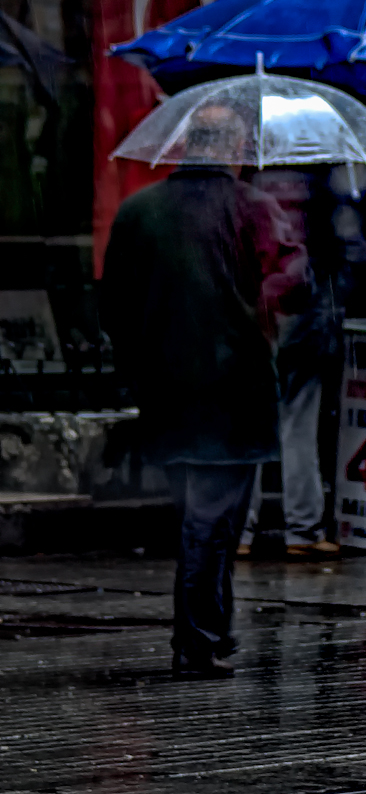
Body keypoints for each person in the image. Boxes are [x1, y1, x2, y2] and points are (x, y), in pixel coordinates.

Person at [101, 104, 308, 678]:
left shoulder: (139, 210)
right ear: (236, 145)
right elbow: (297, 283)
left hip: (166, 391)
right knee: (210, 523)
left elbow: (112, 305)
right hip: (232, 392)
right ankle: (197, 640)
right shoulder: (252, 207)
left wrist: (145, 360)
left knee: (200, 517)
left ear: (188, 143)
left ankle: (210, 628)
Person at [239, 167, 366, 558]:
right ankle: (303, 530)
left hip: (251, 317)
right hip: (302, 315)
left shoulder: (245, 193)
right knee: (298, 424)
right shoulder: (321, 190)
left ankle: (240, 531)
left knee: (248, 431)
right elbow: (350, 249)